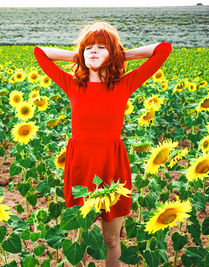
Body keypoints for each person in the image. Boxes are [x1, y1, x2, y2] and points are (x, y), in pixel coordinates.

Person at [34, 22, 172, 266]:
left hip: (112, 166)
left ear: (112, 53)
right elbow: (40, 52)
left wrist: (121, 54)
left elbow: (163, 49)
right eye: (88, 48)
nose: (93, 51)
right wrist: (79, 56)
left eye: (100, 47)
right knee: (80, 239)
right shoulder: (73, 84)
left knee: (111, 239)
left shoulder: (124, 84)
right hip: (80, 166)